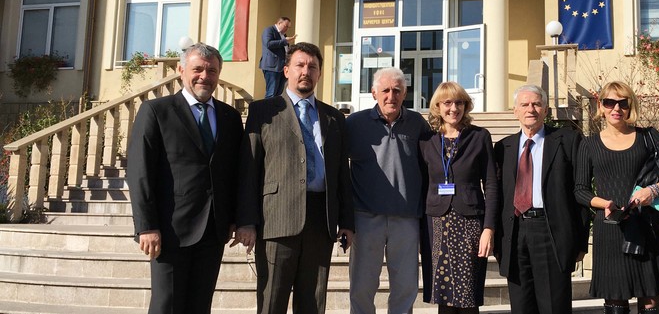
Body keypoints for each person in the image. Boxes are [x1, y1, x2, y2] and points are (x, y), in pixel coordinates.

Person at [236, 42, 355, 314]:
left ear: (319, 74)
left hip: (320, 221)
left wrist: (347, 221)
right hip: (276, 221)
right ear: (287, 70)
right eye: (300, 65)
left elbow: (341, 174)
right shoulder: (263, 111)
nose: (306, 71)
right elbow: (249, 170)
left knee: (312, 303)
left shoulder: (335, 118)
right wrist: (246, 221)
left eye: (312, 67)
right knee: (272, 303)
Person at [127, 43, 244, 314]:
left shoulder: (230, 117)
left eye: (212, 70)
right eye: (198, 69)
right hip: (169, 231)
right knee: (166, 306)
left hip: (214, 231)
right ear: (181, 70)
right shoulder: (156, 111)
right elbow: (140, 172)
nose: (205, 76)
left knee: (200, 306)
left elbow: (236, 172)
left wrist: (237, 218)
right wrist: (146, 226)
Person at [574, 81, 659, 314]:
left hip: (647, 227)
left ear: (630, 106)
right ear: (601, 106)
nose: (616, 108)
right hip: (610, 229)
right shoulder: (588, 144)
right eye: (609, 102)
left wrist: (653, 190)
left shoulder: (648, 136)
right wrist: (603, 203)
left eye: (622, 103)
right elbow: (580, 190)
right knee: (615, 302)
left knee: (650, 302)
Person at [493, 85, 590, 314]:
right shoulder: (503, 148)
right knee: (521, 306)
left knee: (554, 307)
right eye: (525, 105)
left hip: (551, 232)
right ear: (515, 111)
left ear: (546, 110)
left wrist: (581, 241)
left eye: (536, 104)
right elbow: (497, 196)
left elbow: (581, 191)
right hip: (515, 233)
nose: (531, 109)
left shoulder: (567, 140)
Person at [347, 67, 432, 314]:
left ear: (404, 93)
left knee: (405, 287)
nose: (390, 96)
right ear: (374, 93)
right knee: (362, 286)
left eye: (397, 90)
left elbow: (430, 167)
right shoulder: (354, 123)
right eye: (385, 90)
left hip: (406, 218)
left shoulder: (417, 123)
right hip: (365, 217)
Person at [419, 81, 499, 314]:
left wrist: (489, 228)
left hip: (470, 222)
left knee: (467, 295)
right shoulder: (427, 140)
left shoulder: (479, 137)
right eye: (447, 103)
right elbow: (422, 184)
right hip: (436, 223)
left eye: (459, 103)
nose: (453, 108)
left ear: (466, 106)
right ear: (437, 106)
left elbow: (491, 185)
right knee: (443, 294)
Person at [259, 16, 295, 98]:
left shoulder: (283, 35)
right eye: (286, 26)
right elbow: (268, 44)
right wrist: (285, 41)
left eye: (288, 27)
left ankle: (277, 110)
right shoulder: (269, 30)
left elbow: (283, 49)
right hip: (272, 67)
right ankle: (268, 110)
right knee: (271, 93)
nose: (287, 29)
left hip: (282, 67)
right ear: (279, 23)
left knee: (279, 94)